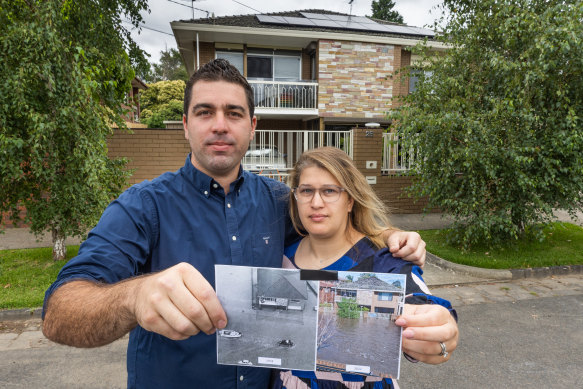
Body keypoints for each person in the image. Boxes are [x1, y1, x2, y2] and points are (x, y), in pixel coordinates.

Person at [42, 59, 428, 389]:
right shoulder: (143, 207)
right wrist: (134, 296)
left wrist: (389, 236)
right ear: (185, 124)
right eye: (205, 112)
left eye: (234, 113)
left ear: (253, 125)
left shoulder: (281, 202)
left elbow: (341, 234)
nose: (220, 125)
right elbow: (59, 313)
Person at [271, 147, 458, 389]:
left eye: (329, 191)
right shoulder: (280, 253)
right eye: (307, 191)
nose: (316, 202)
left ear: (349, 200)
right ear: (296, 197)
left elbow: (419, 301)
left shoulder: (383, 260)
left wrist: (438, 328)